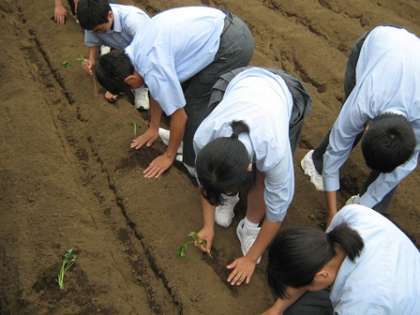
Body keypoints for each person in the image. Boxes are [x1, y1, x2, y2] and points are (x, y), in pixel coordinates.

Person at [95, 6, 255, 178]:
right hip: (222, 26)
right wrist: (153, 128)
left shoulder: (152, 67)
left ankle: (193, 163)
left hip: (232, 45)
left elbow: (180, 115)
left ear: (129, 80)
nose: (134, 90)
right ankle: (187, 141)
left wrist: (168, 156)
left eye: (130, 89)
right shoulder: (136, 50)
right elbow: (157, 90)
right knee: (182, 92)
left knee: (194, 104)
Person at [189, 67, 311, 286]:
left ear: (248, 169)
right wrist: (208, 226)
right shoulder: (204, 136)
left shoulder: (275, 151)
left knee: (264, 178)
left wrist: (250, 258)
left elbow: (277, 211)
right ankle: (228, 198)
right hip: (237, 80)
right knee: (219, 173)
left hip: (284, 92)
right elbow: (206, 180)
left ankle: (250, 225)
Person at [300, 26, 419, 223]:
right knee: (349, 127)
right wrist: (332, 213)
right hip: (376, 44)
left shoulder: (417, 129)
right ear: (368, 127)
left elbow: (404, 165)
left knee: (394, 156)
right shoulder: (365, 101)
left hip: (409, 58)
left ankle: (366, 209)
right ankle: (316, 162)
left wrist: (366, 203)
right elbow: (338, 145)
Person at [263, 204, 420, 315]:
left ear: (322, 276)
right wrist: (276, 309)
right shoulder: (353, 214)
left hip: (395, 304)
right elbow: (309, 265)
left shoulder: (362, 303)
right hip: (402, 277)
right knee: (297, 308)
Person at [76, 0, 150, 108]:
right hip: (124, 48)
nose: (96, 33)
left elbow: (145, 54)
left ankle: (141, 90)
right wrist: (91, 60)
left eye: (99, 30)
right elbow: (93, 43)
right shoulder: (94, 22)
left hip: (146, 50)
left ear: (110, 15)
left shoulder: (133, 22)